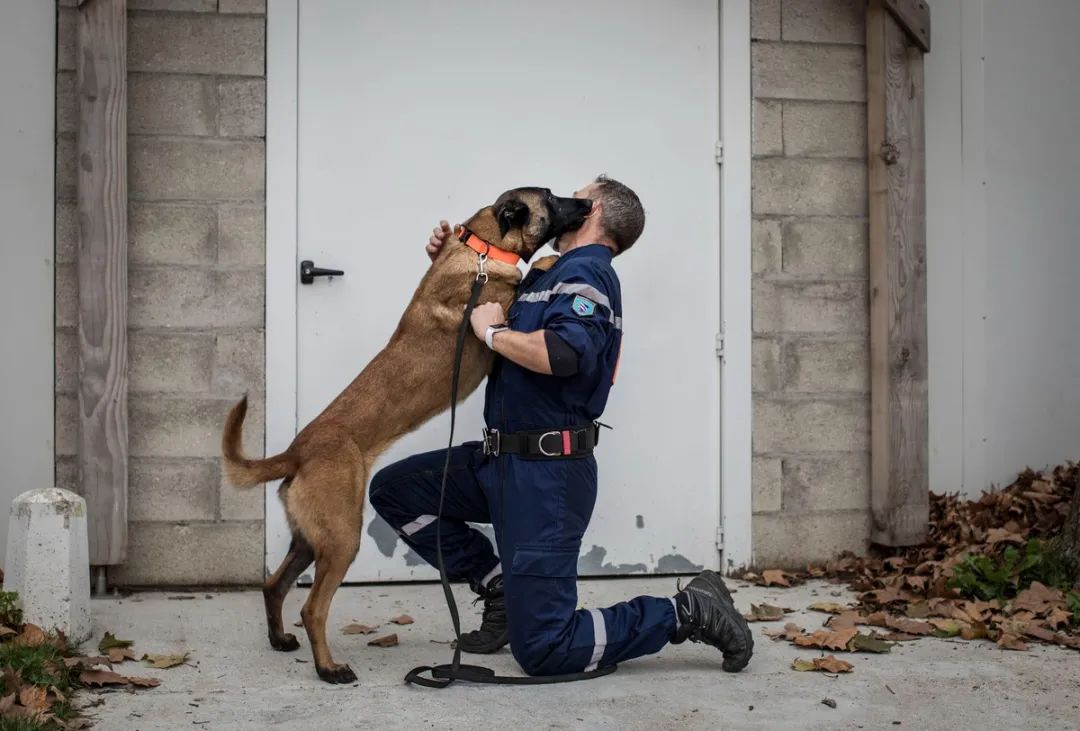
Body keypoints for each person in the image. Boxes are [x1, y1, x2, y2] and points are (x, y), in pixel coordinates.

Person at [369, 175, 753, 675]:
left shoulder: (588, 275)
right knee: (396, 491)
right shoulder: (549, 274)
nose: (563, 206)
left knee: (545, 649)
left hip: (544, 479)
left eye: (575, 196)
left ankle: (685, 611)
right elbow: (482, 300)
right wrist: (452, 257)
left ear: (590, 210)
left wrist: (495, 333)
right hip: (499, 462)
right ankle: (502, 586)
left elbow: (565, 351)